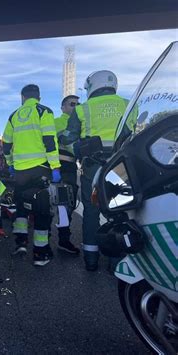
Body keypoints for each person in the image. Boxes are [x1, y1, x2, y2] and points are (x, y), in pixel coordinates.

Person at [60, 70, 129, 271]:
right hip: (120, 165)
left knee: (91, 211)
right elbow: (130, 134)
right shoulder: (127, 105)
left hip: (91, 165)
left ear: (92, 86)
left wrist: (79, 150)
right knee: (119, 210)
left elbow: (68, 138)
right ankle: (117, 260)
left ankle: (91, 258)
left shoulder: (83, 110)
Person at [3, 84, 61, 266]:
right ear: (38, 97)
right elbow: (50, 141)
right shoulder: (44, 111)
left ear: (22, 97)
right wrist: (55, 167)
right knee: (42, 210)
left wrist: (11, 164)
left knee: (21, 208)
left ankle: (21, 243)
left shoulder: (14, 116)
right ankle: (40, 253)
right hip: (41, 169)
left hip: (20, 172)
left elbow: (5, 144)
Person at [54, 95, 81, 255]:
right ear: (63, 107)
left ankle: (63, 239)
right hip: (60, 168)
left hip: (70, 167)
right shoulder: (57, 122)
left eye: (78, 104)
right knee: (63, 204)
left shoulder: (81, 122)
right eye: (72, 104)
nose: (75, 106)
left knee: (66, 205)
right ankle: (63, 240)